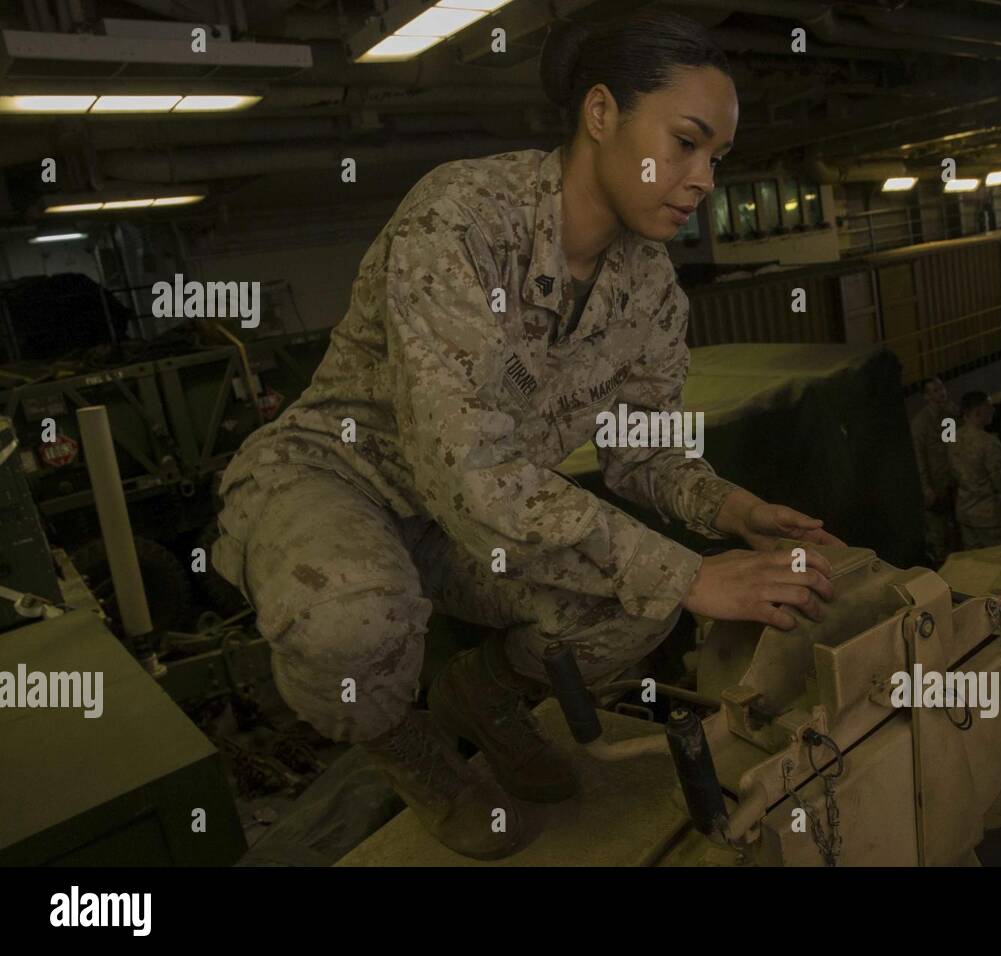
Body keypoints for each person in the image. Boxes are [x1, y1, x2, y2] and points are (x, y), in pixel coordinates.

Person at [210, 11, 845, 861]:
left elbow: (642, 446)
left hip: (463, 526)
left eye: (717, 160)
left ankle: (484, 694)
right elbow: (466, 467)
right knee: (349, 622)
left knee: (635, 608)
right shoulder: (462, 218)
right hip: (341, 480)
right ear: (600, 113)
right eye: (686, 142)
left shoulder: (651, 292)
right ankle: (404, 745)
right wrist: (691, 572)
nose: (701, 180)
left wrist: (732, 512)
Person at [949, 390, 1001, 549]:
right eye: (989, 406)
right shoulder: (990, 444)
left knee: (974, 562)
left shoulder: (953, 437)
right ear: (978, 412)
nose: (993, 410)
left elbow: (952, 470)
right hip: (989, 515)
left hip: (965, 511)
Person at [909, 377, 958, 565]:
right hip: (934, 485)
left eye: (942, 388)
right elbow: (918, 457)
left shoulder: (948, 417)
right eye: (935, 391)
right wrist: (926, 488)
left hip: (950, 482)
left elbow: (951, 446)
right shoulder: (921, 423)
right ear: (926, 396)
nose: (941, 393)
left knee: (954, 530)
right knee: (938, 534)